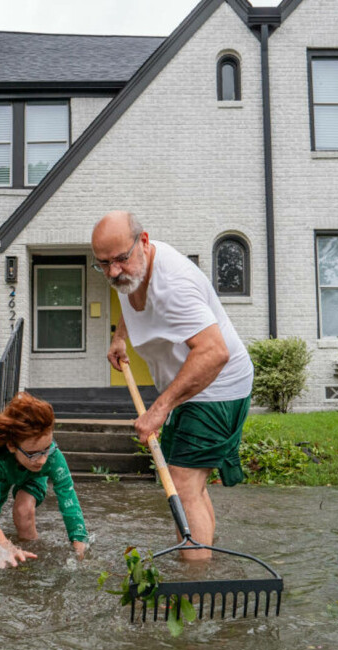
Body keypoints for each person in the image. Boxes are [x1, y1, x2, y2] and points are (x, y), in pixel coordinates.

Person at [91, 211, 254, 561]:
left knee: (181, 485)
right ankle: (204, 566)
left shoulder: (174, 284)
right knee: (192, 486)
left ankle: (192, 587)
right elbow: (127, 294)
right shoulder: (129, 271)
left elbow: (214, 353)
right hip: (189, 387)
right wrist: (121, 337)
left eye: (120, 259)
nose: (114, 271)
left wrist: (159, 409)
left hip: (217, 386)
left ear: (144, 242)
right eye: (103, 264)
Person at [0, 392, 89, 567]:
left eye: (46, 449)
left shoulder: (53, 457)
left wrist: (80, 549)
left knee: (23, 511)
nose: (42, 460)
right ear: (12, 445)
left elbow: (70, 504)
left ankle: (29, 559)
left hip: (32, 477)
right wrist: (4, 546)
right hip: (1, 475)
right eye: (33, 453)